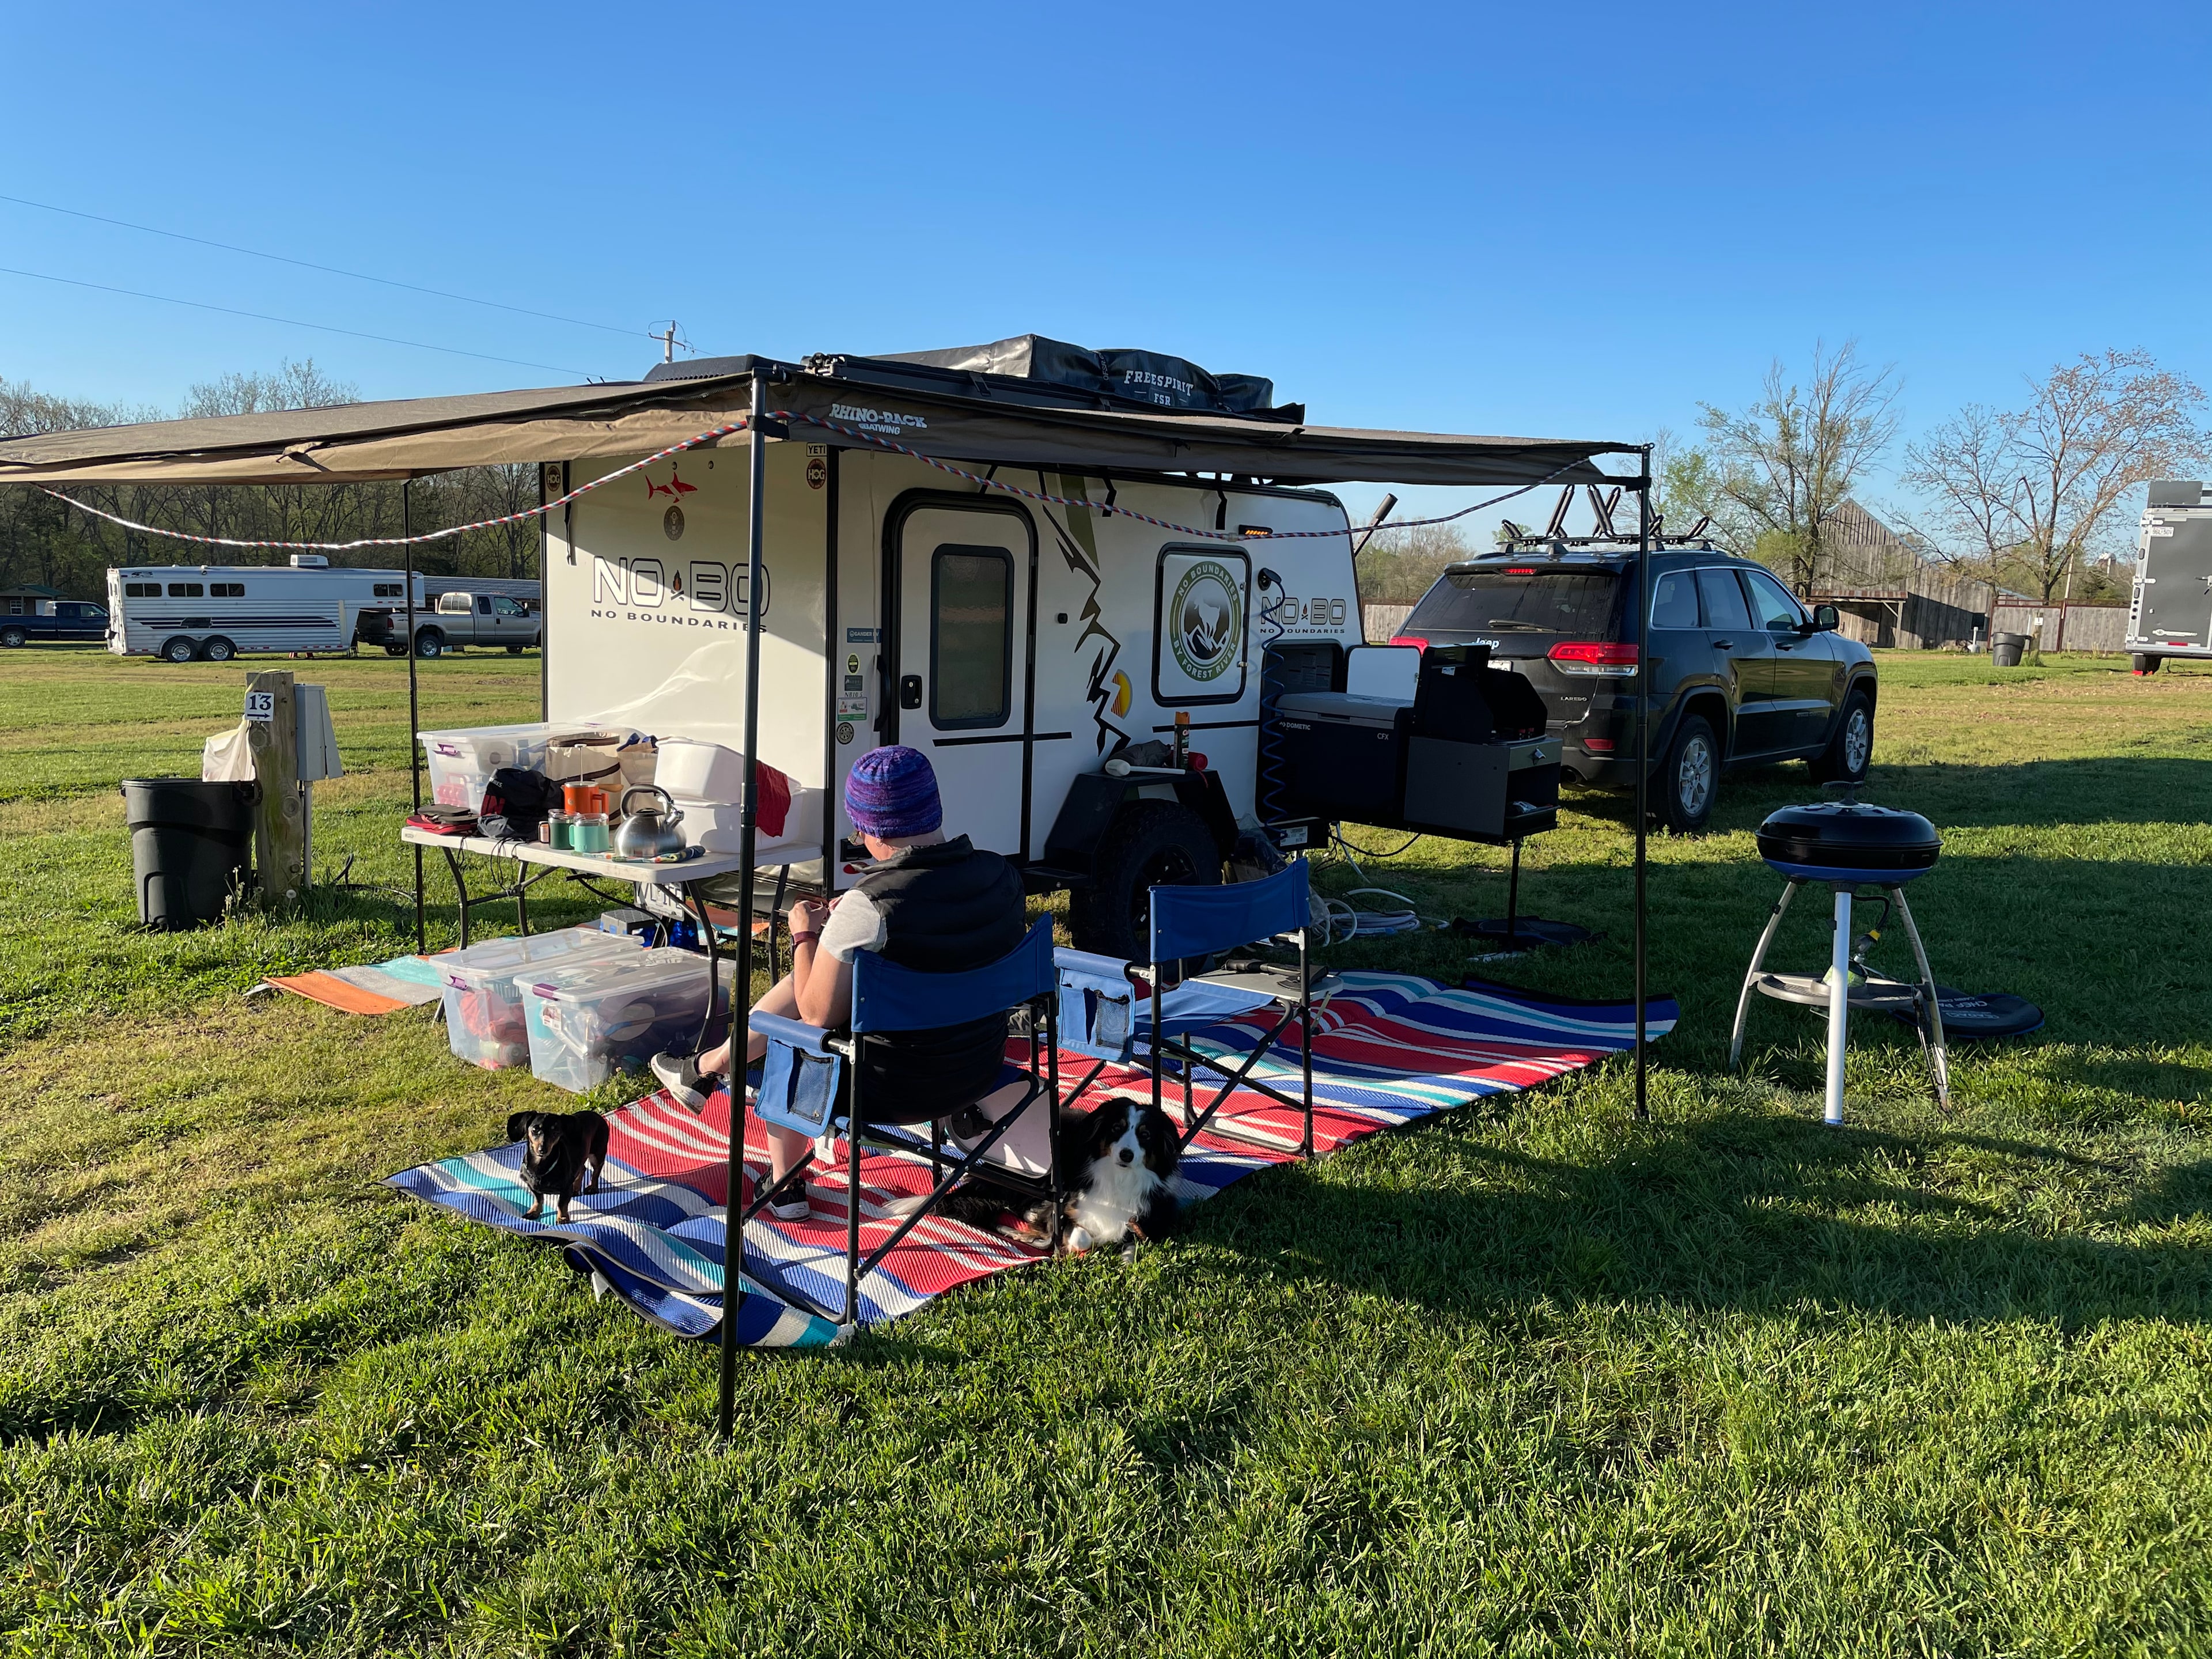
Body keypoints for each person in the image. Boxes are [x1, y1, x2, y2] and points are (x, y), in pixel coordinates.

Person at [650, 745, 1026, 1221]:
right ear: (935, 806)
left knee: (786, 1036)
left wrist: (805, 932)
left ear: (871, 828)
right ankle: (711, 1065)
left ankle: (784, 1181)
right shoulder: (1002, 876)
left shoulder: (870, 905)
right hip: (977, 1066)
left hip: (889, 1089)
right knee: (826, 984)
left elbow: (814, 1014)